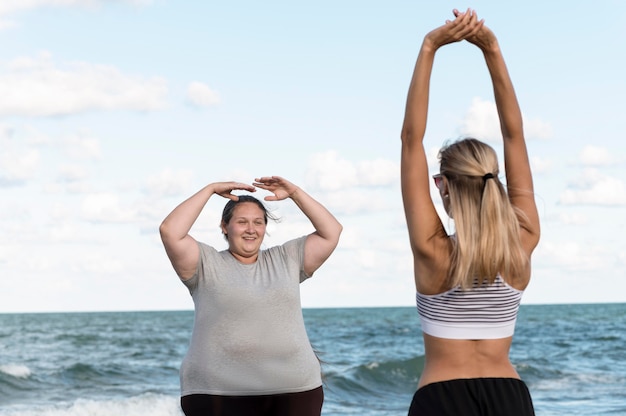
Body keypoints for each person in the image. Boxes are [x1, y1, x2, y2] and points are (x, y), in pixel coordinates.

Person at [400, 9, 541, 416]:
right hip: (509, 397)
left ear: (442, 185)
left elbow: (412, 139)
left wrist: (430, 46)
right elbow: (515, 133)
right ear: (494, 181)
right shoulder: (523, 240)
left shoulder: (432, 250)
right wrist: (492, 49)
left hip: (443, 398)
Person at [159, 176, 342, 416]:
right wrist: (210, 189)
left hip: (293, 389)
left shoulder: (287, 258)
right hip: (216, 392)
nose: (251, 229)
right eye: (242, 222)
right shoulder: (205, 263)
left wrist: (295, 193)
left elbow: (331, 231)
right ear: (225, 226)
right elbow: (170, 231)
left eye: (258, 222)